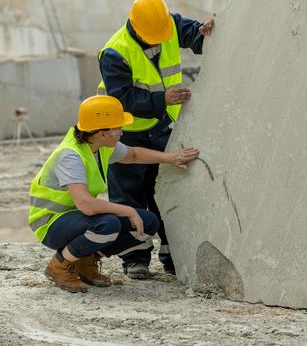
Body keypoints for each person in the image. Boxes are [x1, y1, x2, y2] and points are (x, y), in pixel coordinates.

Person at [28, 95, 198, 293]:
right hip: (51, 223)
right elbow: (87, 205)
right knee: (108, 225)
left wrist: (171, 158)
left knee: (148, 222)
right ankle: (59, 266)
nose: (121, 131)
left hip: (75, 217)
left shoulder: (98, 146)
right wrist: (127, 210)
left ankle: (86, 260)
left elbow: (133, 154)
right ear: (101, 132)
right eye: (117, 128)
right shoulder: (71, 156)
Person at [98, 0, 214, 279]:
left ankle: (173, 254)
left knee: (167, 191)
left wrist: (207, 31)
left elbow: (196, 37)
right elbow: (122, 98)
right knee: (129, 197)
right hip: (125, 133)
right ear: (135, 27)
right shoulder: (115, 52)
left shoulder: (168, 26)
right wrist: (164, 98)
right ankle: (135, 258)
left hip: (162, 128)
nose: (159, 41)